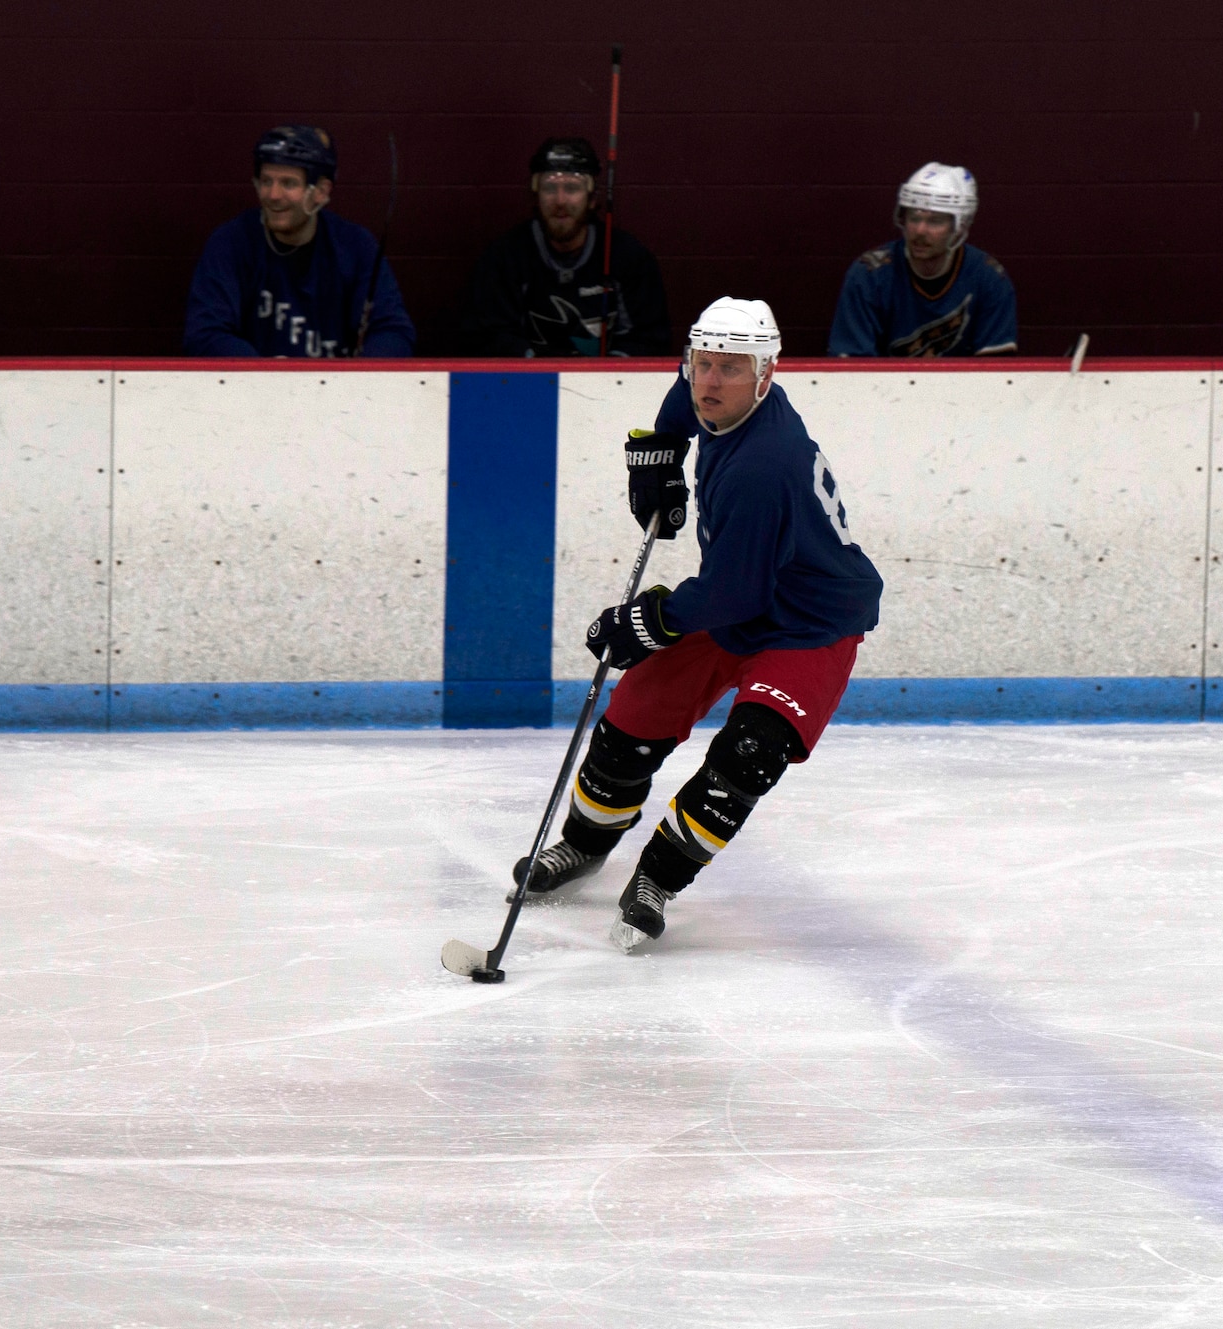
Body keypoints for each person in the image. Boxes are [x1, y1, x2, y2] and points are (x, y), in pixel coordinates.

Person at [512, 298, 883, 951]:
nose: (710, 381)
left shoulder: (765, 466)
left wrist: (647, 621)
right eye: (701, 363)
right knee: (631, 723)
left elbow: (735, 593)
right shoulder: (709, 391)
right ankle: (581, 846)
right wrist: (661, 450)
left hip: (810, 621)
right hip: (734, 596)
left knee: (749, 754)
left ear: (765, 377)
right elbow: (681, 405)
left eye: (730, 369)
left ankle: (655, 878)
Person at [184, 125, 415, 358]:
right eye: (266, 181)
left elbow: (393, 332)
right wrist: (267, 379)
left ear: (321, 192)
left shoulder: (356, 247)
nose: (273, 195)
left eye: (288, 183)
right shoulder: (231, 243)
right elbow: (205, 334)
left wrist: (350, 382)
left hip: (337, 391)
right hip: (253, 391)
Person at [460, 137, 672, 357]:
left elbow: (650, 340)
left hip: (605, 389)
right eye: (550, 187)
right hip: (528, 388)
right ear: (535, 196)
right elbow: (487, 339)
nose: (560, 200)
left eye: (572, 188)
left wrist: (604, 379)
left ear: (591, 198)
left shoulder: (628, 257)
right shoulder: (503, 259)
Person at [828, 162, 1018, 357]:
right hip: (883, 387)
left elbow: (996, 373)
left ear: (960, 227)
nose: (920, 231)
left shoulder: (989, 278)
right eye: (914, 217)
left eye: (935, 221)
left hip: (962, 388)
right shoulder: (869, 274)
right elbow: (851, 368)